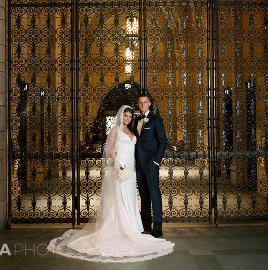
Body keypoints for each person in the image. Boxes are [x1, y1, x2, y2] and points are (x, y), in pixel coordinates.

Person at [47, 105, 174, 262]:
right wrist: (117, 163)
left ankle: (133, 227)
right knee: (120, 195)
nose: (128, 119)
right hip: (121, 166)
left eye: (129, 116)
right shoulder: (115, 129)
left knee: (131, 195)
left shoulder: (132, 130)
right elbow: (109, 148)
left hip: (132, 168)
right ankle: (121, 227)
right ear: (121, 116)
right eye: (125, 116)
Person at [135, 93, 168, 238]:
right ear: (138, 105)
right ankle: (146, 225)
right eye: (140, 103)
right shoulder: (136, 120)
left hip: (151, 163)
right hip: (139, 165)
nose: (142, 105)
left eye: (145, 102)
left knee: (154, 194)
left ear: (149, 104)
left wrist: (156, 161)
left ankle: (158, 227)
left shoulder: (156, 120)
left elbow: (163, 141)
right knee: (143, 195)